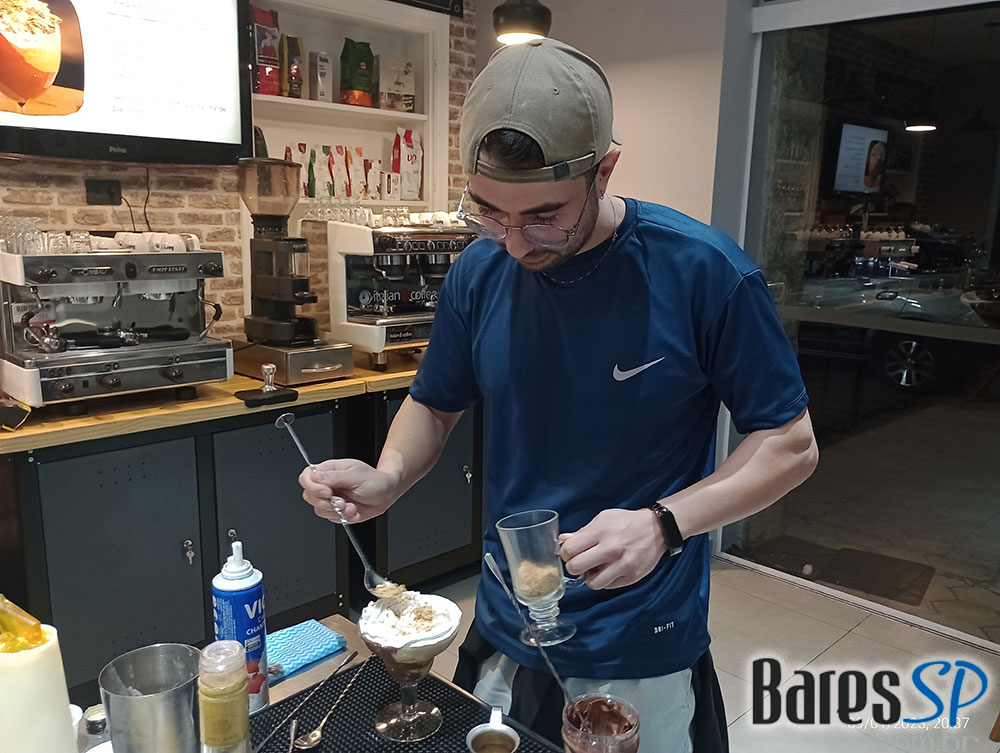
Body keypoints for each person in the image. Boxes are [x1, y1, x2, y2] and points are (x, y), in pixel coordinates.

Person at [300, 38, 818, 752]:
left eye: (544, 216)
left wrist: (665, 523)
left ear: (604, 170)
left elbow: (790, 444)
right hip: (506, 617)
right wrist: (388, 476)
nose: (515, 243)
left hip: (636, 630)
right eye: (489, 212)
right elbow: (435, 402)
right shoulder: (479, 270)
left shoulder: (703, 272)